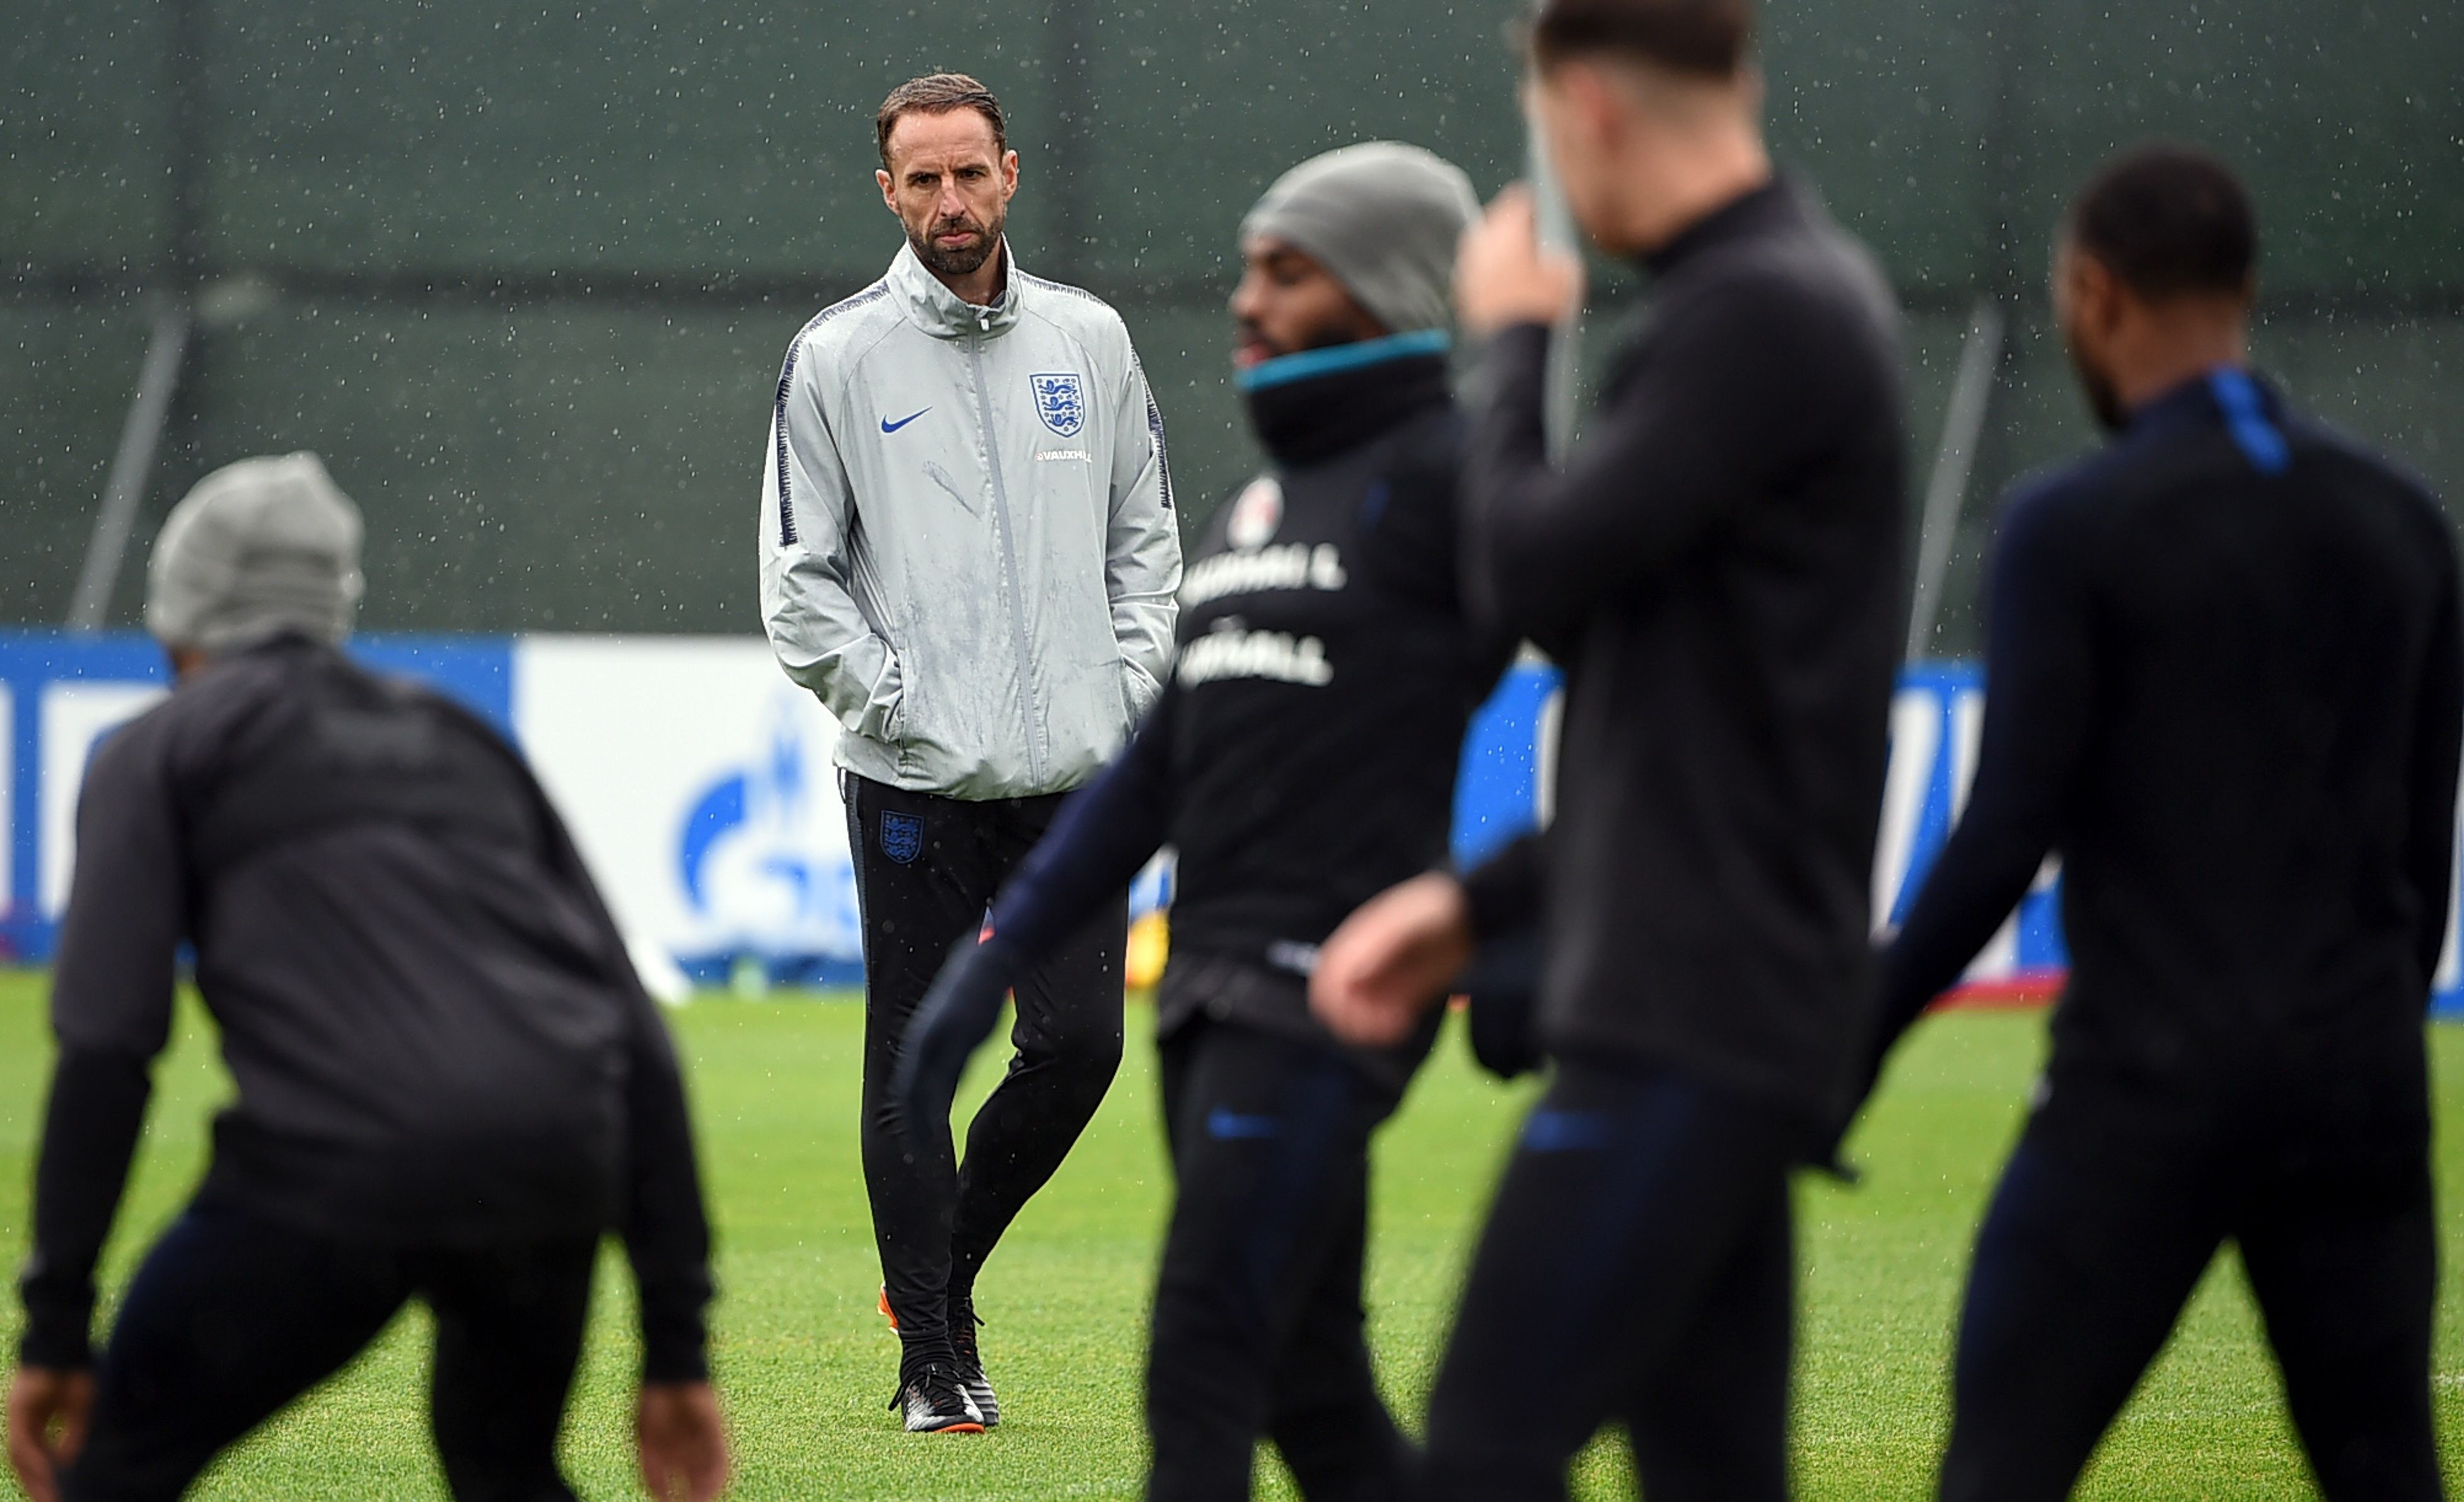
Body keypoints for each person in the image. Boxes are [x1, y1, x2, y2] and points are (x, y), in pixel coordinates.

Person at [1308, 1, 1910, 1495]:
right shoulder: (1780, 301)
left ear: (1584, 111)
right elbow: (1670, 702)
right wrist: (1478, 905)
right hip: (1717, 1008)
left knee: (1481, 1454)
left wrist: (1510, 342)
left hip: (1683, 1025)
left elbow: (1523, 571)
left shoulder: (1755, 311)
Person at [1845, 146, 2463, 1502]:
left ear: (2089, 293)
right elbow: (2423, 854)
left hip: (2141, 1094)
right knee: (2383, 1475)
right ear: (2242, 289)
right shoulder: (2398, 520)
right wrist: (2351, 1047)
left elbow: (2005, 831)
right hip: (2351, 1087)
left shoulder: (2069, 524)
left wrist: (1854, 1041)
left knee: (1999, 1469)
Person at [888, 142, 1497, 1498]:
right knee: (1315, 1390)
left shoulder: (1458, 482)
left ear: (1385, 289)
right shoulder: (1255, 510)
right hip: (1210, 1008)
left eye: (1288, 273)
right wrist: (980, 980)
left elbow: (1650, 720)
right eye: (1247, 269)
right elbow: (1150, 786)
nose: (1245, 300)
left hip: (1321, 1004)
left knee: (1200, 1365)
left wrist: (1503, 925)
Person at [4, 454, 728, 1502]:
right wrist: (676, 1349)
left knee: (116, 1469)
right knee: (503, 1467)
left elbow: (111, 1043)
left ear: (178, 617)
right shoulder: (461, 740)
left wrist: (57, 1324)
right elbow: (635, 1037)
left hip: (331, 1175)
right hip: (549, 1163)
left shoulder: (157, 751)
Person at [755, 71, 1182, 1432]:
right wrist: (894, 704)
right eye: (920, 180)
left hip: (1073, 778)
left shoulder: (1091, 341)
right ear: (887, 193)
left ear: (1010, 175)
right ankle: (933, 1362)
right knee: (912, 1068)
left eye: (968, 173)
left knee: (1082, 1049)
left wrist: (1122, 692)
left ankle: (932, 1277)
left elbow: (1146, 542)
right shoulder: (835, 356)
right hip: (912, 785)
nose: (948, 200)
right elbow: (796, 581)